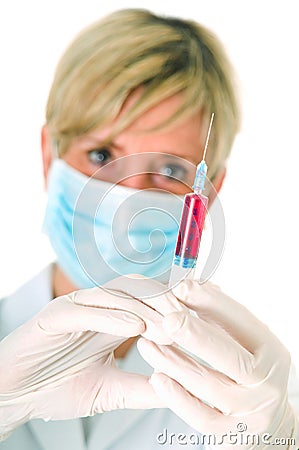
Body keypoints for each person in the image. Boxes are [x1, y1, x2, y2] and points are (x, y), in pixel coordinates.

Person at [0, 8, 298, 450]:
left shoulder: (251, 401)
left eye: (169, 169)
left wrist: (279, 443)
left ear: (208, 197)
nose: (128, 195)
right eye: (101, 155)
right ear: (49, 158)